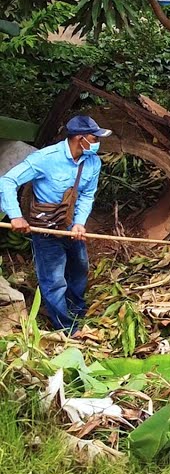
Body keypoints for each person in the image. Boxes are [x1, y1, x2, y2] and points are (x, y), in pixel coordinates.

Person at [0, 115, 109, 333]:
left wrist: (79, 224)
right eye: (94, 138)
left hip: (69, 225)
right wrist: (15, 216)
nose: (97, 142)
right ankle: (67, 328)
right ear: (80, 139)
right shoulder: (45, 158)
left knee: (79, 269)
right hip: (46, 228)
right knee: (54, 280)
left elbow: (87, 195)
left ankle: (77, 311)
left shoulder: (93, 162)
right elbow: (7, 181)